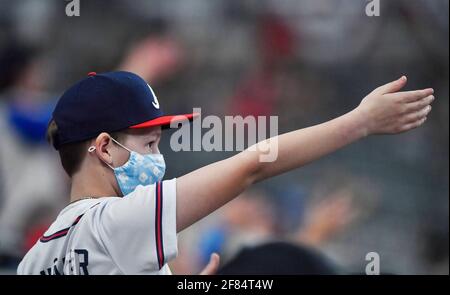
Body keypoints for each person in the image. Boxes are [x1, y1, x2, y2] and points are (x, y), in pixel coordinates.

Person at [17, 71, 434, 275]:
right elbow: (252, 166)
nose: (157, 158)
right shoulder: (115, 222)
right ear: (105, 147)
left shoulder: (34, 260)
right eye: (149, 144)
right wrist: (359, 122)